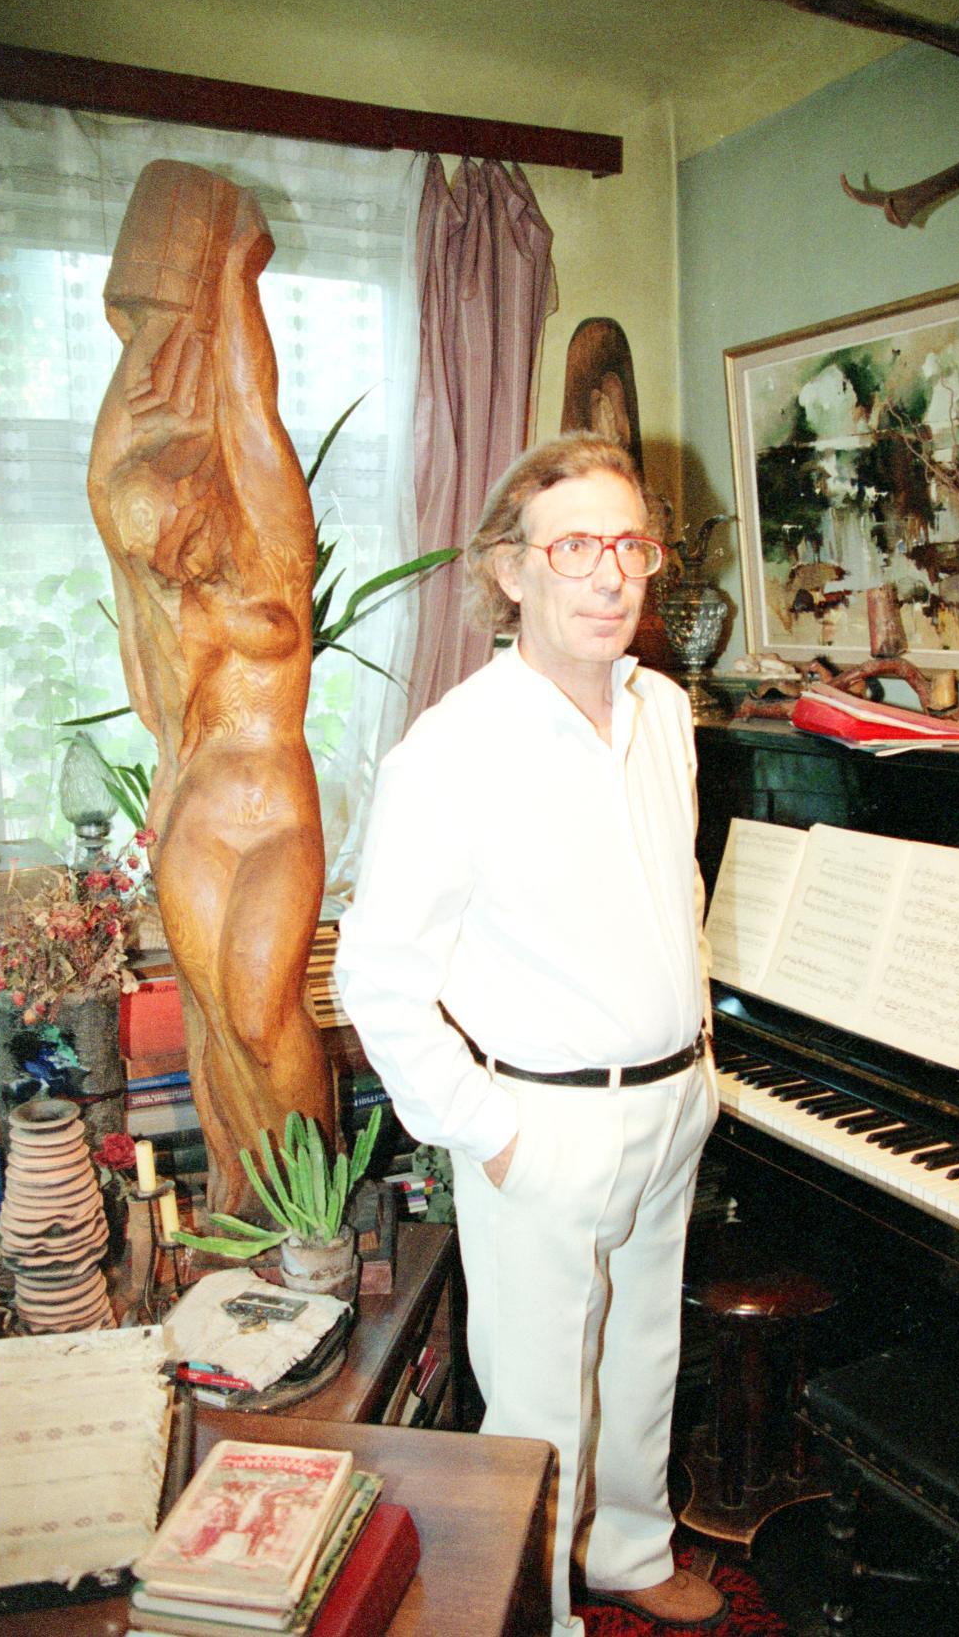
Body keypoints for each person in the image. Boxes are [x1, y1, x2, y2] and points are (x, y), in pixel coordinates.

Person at [335, 434, 723, 1633]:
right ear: (510, 569)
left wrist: (697, 1063)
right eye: (575, 548)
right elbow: (378, 977)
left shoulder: (663, 711)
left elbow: (676, 896)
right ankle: (539, 1612)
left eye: (630, 545)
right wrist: (490, 1133)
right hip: (542, 1126)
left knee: (642, 1353)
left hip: (671, 1102)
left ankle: (627, 1550)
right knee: (539, 1407)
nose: (610, 575)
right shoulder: (451, 751)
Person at [89, 160, 333, 1213]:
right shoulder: (166, 586)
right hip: (194, 816)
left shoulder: (274, 543)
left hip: (276, 815)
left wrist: (232, 276)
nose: (173, 568)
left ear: (211, 492)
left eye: (183, 540)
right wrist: (140, 350)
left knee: (262, 1015)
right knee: (217, 1033)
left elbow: (249, 400)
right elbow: (104, 486)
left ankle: (316, 1202)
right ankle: (252, 1206)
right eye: (158, 561)